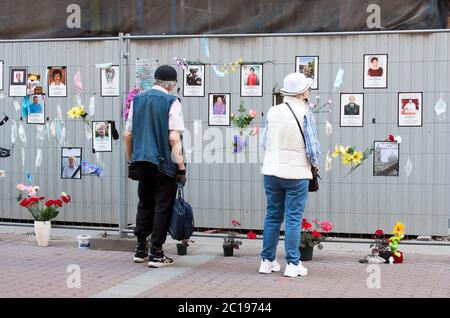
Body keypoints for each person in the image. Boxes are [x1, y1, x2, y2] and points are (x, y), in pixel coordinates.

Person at [124, 65, 186, 268]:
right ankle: (157, 253)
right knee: (162, 206)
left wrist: (130, 161)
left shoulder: (138, 99)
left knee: (145, 203)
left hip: (141, 160)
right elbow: (174, 137)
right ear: (172, 84)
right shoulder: (172, 101)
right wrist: (181, 167)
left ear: (156, 81)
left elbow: (128, 134)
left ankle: (140, 248)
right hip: (163, 162)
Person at [259, 72, 320, 278]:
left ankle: (267, 261)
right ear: (302, 92)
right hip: (296, 173)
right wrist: (315, 165)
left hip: (271, 171)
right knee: (293, 218)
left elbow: (264, 143)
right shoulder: (306, 113)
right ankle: (293, 264)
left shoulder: (273, 111)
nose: (309, 91)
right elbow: (312, 149)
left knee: (272, 216)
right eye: (307, 88)